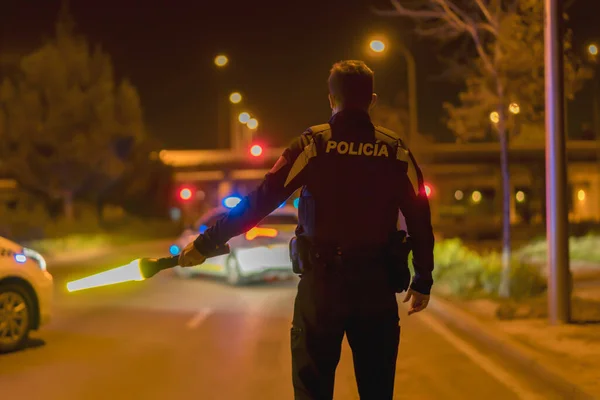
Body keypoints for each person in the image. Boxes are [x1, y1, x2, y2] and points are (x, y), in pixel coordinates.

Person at [179, 60, 435, 400]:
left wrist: (207, 242)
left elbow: (258, 203)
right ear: (371, 100)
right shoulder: (395, 150)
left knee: (312, 390)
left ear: (331, 99)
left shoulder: (311, 145)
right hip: (375, 288)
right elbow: (419, 215)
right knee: (376, 391)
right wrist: (422, 278)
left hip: (322, 287)